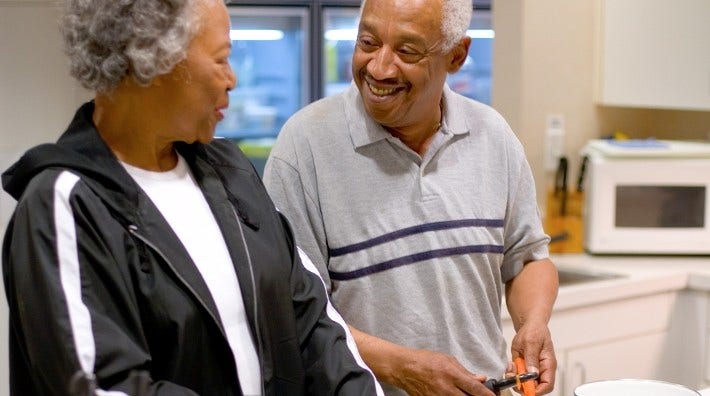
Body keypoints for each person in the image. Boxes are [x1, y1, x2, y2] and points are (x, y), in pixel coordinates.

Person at [1, 0, 384, 395]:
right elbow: (101, 384)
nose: (231, 79)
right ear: (153, 60)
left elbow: (313, 321)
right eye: (221, 59)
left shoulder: (229, 172)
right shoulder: (66, 205)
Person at [262, 0, 559, 394]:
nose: (380, 68)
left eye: (407, 51)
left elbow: (527, 259)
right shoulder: (303, 150)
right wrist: (402, 368)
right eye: (368, 42)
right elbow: (294, 316)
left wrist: (534, 323)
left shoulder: (493, 136)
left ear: (457, 56)